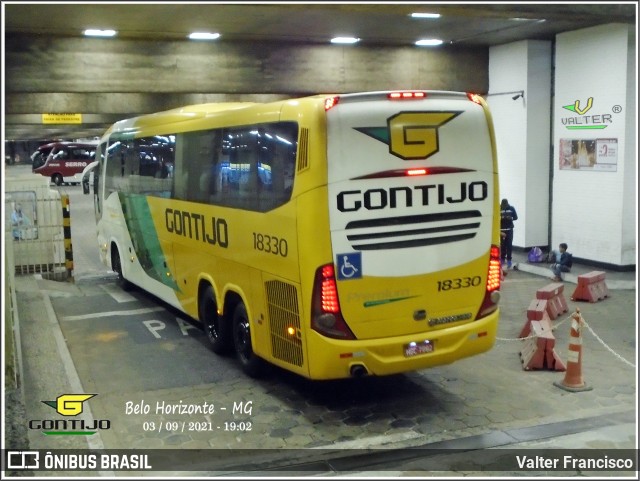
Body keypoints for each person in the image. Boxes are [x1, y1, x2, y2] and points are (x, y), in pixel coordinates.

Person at [500, 198, 518, 268]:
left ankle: (509, 259)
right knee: (502, 245)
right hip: (501, 230)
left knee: (509, 245)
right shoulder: (499, 208)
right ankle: (502, 259)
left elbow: (516, 217)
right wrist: (501, 218)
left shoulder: (511, 208)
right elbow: (495, 218)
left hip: (509, 229)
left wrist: (510, 218)